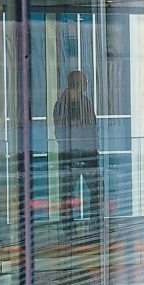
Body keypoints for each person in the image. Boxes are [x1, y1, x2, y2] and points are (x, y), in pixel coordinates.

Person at [53, 71, 100, 238]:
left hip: (86, 154)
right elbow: (60, 131)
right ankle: (69, 228)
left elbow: (92, 128)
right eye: (84, 81)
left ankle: (93, 227)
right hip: (72, 155)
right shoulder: (63, 104)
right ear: (77, 83)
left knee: (94, 192)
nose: (87, 84)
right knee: (68, 193)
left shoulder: (85, 102)